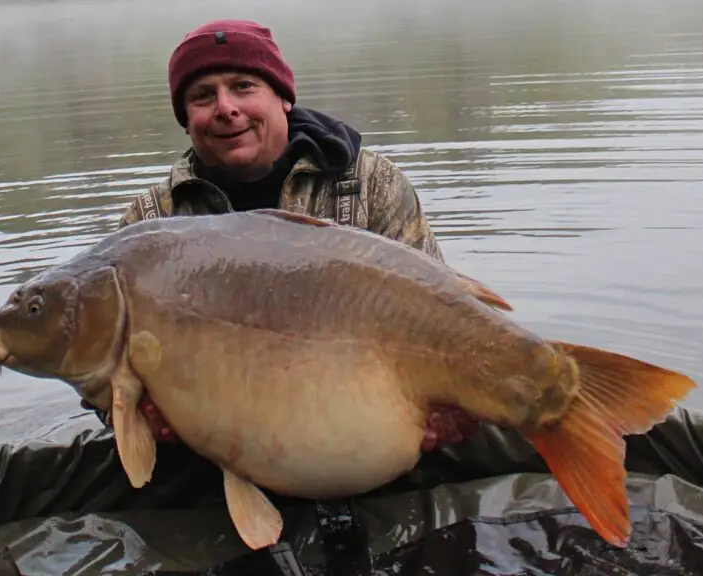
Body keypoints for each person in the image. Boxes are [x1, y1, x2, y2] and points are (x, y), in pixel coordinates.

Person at [83, 18, 447, 442]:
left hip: (365, 428)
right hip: (217, 448)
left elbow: (440, 314)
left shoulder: (372, 185)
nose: (225, 108)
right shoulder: (149, 221)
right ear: (186, 119)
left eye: (243, 86)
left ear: (282, 98)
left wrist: (440, 404)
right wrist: (135, 412)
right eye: (203, 96)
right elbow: (102, 381)